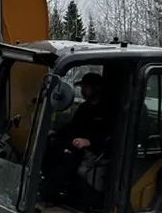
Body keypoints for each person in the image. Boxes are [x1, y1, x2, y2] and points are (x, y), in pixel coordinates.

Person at [42, 72, 111, 204]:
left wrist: (89, 142)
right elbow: (72, 126)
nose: (83, 90)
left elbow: (110, 135)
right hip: (75, 144)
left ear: (96, 88)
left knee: (68, 159)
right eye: (82, 87)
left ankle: (51, 193)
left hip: (96, 150)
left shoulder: (108, 110)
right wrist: (54, 132)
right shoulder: (84, 108)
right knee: (51, 147)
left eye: (86, 87)